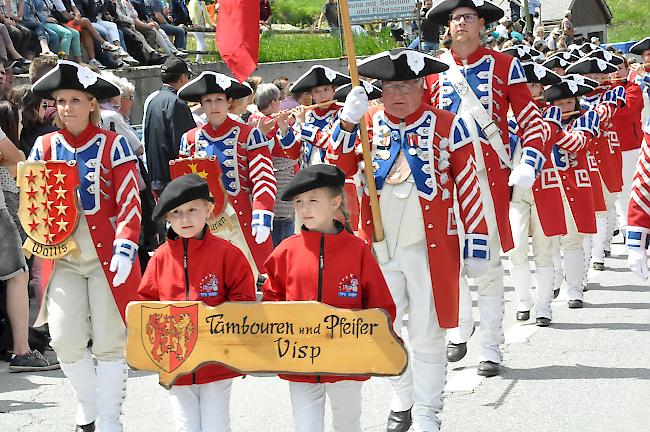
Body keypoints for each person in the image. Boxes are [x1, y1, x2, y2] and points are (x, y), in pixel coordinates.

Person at [329, 48, 489, 432]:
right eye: (388, 86)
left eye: (405, 85)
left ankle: (428, 411)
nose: (396, 94)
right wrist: (346, 123)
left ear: (422, 86)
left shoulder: (451, 125)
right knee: (381, 328)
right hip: (380, 250)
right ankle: (403, 396)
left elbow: (468, 185)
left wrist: (477, 242)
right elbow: (335, 169)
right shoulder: (366, 123)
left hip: (430, 251)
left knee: (428, 333)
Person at [426, 0, 548, 378]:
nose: (460, 23)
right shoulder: (431, 73)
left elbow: (532, 121)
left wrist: (529, 161)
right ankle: (461, 327)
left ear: (481, 23)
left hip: (487, 175)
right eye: (454, 18)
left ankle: (491, 345)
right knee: (448, 257)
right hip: (445, 181)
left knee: (488, 262)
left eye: (466, 17)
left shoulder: (505, 65)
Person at [28, 60, 142, 431]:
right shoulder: (43, 147)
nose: (67, 108)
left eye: (75, 100)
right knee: (64, 338)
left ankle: (109, 419)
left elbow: (129, 201)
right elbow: (34, 204)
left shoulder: (113, 144)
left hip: (107, 258)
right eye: (60, 101)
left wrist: (126, 244)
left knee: (110, 342)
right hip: (63, 259)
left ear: (92, 103)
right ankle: (88, 405)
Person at [262, 164, 396, 432]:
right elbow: (270, 302)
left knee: (348, 424)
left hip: (347, 362)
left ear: (335, 202)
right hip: (299, 362)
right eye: (299, 202)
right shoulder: (285, 252)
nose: (305, 209)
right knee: (306, 427)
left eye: (313, 200)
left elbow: (381, 306)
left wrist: (377, 343)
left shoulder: (358, 251)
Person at [138, 173, 256, 432]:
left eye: (193, 209)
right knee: (185, 426)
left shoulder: (229, 255)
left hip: (217, 361)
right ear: (168, 218)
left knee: (216, 424)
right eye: (177, 213)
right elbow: (146, 305)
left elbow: (244, 302)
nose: (185, 219)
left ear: (209, 210)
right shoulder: (159, 258)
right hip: (175, 362)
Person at [177, 71, 277, 276]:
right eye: (208, 101)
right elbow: (183, 185)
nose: (214, 106)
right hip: (206, 221)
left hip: (242, 220)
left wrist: (262, 211)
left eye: (219, 100)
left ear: (229, 102)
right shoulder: (189, 139)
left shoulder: (249, 135)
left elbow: (263, 176)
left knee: (244, 279)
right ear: (201, 104)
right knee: (210, 280)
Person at [247, 83, 299, 247]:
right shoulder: (274, 121)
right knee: (283, 222)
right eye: (278, 100)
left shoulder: (251, 119)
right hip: (280, 175)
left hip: (260, 177)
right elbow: (292, 150)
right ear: (273, 103)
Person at [143, 56, 196, 196]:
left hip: (156, 176)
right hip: (174, 180)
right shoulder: (177, 103)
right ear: (183, 78)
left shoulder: (154, 101)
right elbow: (185, 142)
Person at [609, 56, 644, 239]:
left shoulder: (633, 88)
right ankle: (623, 226)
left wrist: (608, 102)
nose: (616, 72)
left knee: (630, 189)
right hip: (610, 147)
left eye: (619, 68)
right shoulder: (605, 89)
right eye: (612, 68)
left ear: (626, 69)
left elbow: (626, 109)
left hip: (630, 147)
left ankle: (632, 226)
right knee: (616, 192)